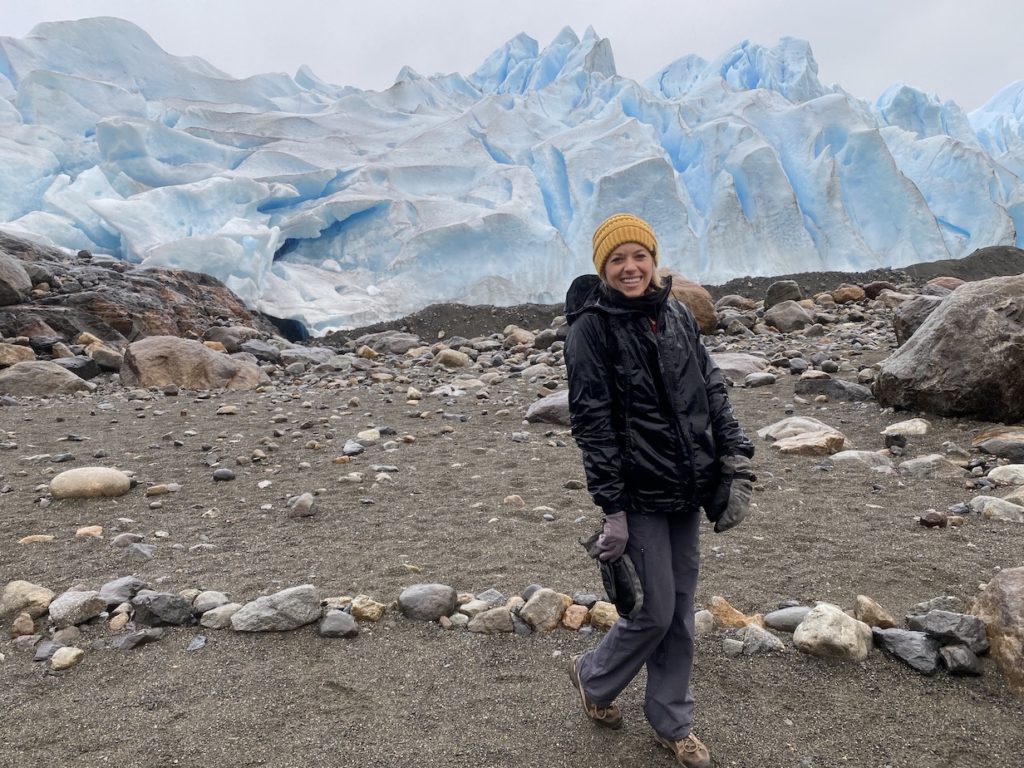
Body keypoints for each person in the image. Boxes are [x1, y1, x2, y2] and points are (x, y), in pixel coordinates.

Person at [563, 213, 755, 767]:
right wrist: (612, 508)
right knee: (652, 610)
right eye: (617, 259)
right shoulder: (591, 329)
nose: (630, 267)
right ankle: (593, 676)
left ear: (653, 259)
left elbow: (710, 385)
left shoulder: (674, 313)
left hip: (686, 484)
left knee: (681, 608)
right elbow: (592, 423)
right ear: (603, 267)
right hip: (638, 493)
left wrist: (734, 456)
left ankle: (672, 721)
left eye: (638, 256)